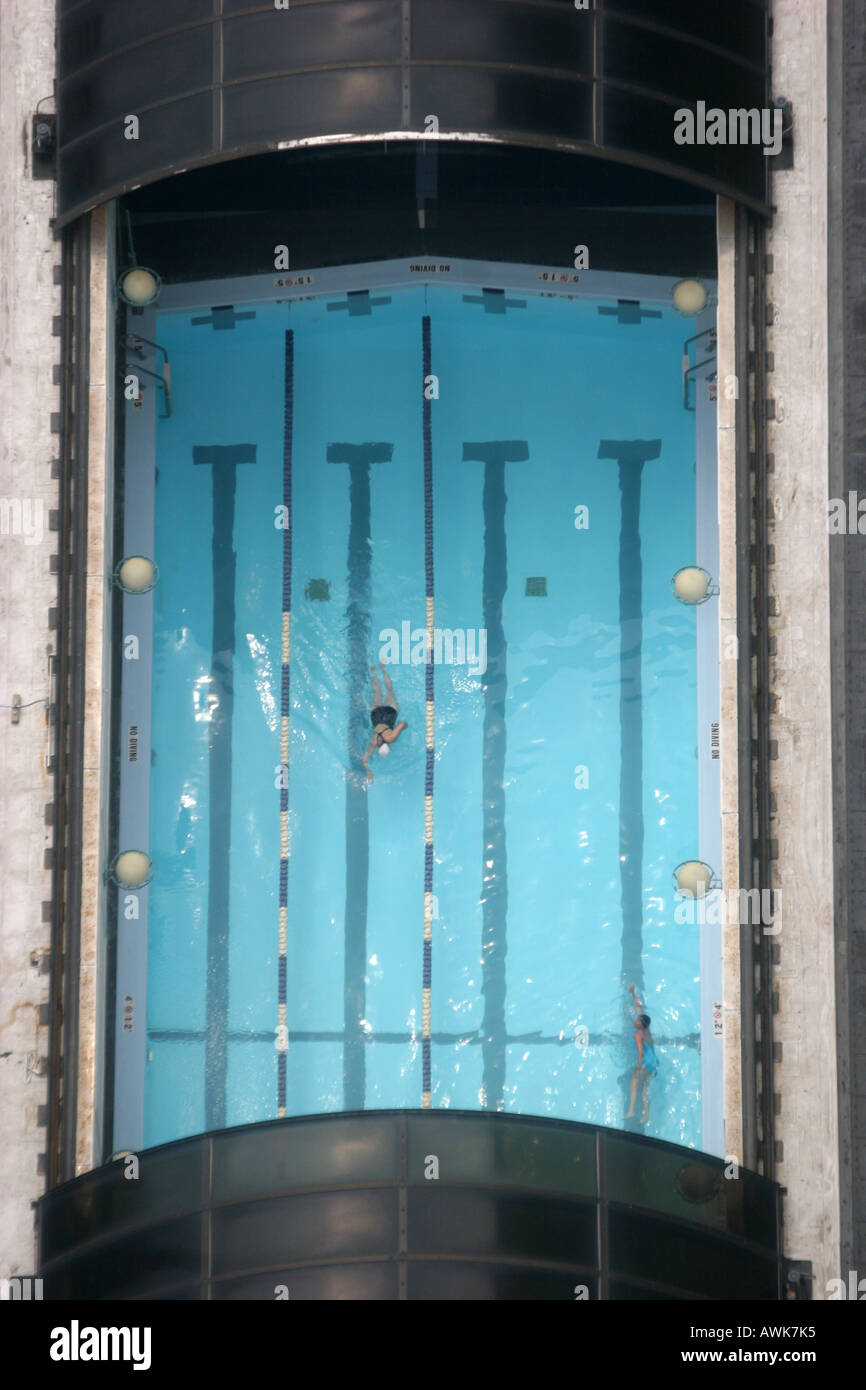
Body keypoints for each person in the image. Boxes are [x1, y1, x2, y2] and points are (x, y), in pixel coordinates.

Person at [362, 662, 407, 783]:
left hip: (389, 715)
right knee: (377, 691)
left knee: (389, 690)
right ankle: (373, 672)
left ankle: (383, 669)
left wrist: (403, 729)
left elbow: (402, 723)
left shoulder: (391, 737)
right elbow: (364, 760)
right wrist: (369, 772)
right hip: (376, 716)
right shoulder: (374, 742)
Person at [625, 981, 659, 1123]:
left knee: (633, 1085)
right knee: (644, 1089)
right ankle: (646, 1115)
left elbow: (640, 1052)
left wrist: (638, 1067)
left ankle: (631, 1111)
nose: (636, 1020)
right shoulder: (647, 1032)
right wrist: (633, 993)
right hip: (653, 1063)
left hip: (644, 1063)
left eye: (638, 1020)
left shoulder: (637, 1035)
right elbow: (639, 1008)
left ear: (640, 1024)